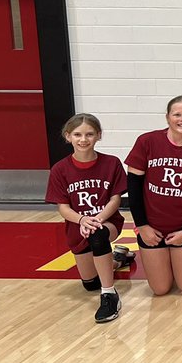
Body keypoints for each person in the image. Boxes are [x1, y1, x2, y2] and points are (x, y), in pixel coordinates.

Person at [125, 96, 182, 296]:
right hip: (151, 230)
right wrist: (142, 226)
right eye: (177, 114)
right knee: (161, 289)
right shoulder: (147, 141)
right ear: (167, 117)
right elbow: (134, 188)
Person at [46, 113, 127, 323]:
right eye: (78, 134)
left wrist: (97, 219)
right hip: (78, 227)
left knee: (98, 236)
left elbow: (115, 200)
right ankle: (117, 259)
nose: (83, 139)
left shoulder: (112, 163)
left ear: (98, 136)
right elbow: (63, 207)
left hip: (106, 223)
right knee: (90, 284)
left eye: (90, 134)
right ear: (68, 136)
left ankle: (109, 295)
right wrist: (82, 220)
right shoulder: (60, 169)